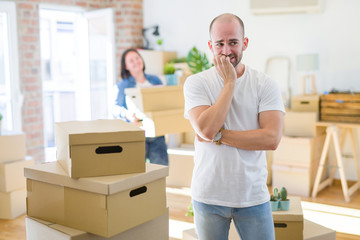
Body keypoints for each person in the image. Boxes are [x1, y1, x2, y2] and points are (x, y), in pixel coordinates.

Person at [183, 13, 285, 240]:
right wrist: (230, 82)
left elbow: (271, 139)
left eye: (233, 42)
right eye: (220, 43)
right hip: (208, 196)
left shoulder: (265, 84)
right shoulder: (196, 83)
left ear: (245, 43)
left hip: (252, 196)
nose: (227, 50)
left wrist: (218, 135)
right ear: (211, 45)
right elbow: (205, 130)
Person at [113, 48, 169, 166]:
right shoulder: (123, 85)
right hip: (137, 133)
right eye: (131, 61)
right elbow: (116, 108)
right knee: (136, 171)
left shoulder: (155, 80)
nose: (136, 62)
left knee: (160, 169)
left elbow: (164, 101)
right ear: (126, 66)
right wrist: (128, 114)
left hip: (157, 133)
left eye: (137, 58)